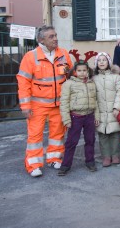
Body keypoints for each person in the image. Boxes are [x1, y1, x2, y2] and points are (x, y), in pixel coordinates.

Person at [17, 25, 73, 177]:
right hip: (38, 105)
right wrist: (25, 106)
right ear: (41, 40)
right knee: (35, 136)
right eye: (51, 37)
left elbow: (71, 77)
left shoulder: (63, 54)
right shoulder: (30, 57)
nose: (55, 39)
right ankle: (33, 164)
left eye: (55, 35)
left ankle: (54, 158)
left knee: (58, 134)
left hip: (59, 104)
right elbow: (23, 83)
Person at [58, 61, 99, 176]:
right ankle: (65, 165)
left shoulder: (92, 83)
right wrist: (66, 119)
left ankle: (90, 161)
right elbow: (64, 102)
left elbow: (96, 101)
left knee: (90, 140)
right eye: (79, 71)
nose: (82, 73)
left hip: (89, 116)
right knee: (71, 142)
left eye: (84, 70)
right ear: (75, 72)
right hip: (75, 117)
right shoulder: (69, 84)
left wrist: (97, 116)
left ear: (88, 71)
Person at [93, 52, 120, 167]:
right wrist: (95, 112)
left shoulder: (116, 77)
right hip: (100, 110)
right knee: (103, 134)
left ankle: (115, 154)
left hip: (113, 110)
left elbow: (119, 92)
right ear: (96, 63)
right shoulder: (94, 78)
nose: (102, 62)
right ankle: (106, 156)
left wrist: (117, 106)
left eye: (104, 60)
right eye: (99, 60)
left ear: (109, 62)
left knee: (115, 133)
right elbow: (93, 95)